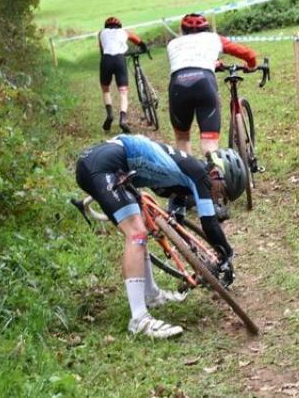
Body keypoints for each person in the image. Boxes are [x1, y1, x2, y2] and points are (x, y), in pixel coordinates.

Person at [74, 134, 246, 338]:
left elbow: (177, 208)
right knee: (136, 233)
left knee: (141, 228)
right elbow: (209, 223)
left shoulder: (187, 173)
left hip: (108, 162)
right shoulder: (200, 175)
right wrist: (227, 255)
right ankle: (138, 319)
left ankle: (151, 294)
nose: (219, 198)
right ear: (216, 173)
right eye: (223, 191)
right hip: (103, 166)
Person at [166, 13, 257, 156]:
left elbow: (189, 61)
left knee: (182, 138)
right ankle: (215, 172)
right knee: (209, 143)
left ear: (182, 30)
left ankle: (188, 174)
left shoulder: (172, 44)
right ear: (206, 28)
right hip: (204, 83)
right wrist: (251, 65)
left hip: (178, 86)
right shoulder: (214, 39)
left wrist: (214, 64)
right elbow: (248, 54)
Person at [98, 16, 148, 133]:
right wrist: (144, 47)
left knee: (105, 89)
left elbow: (102, 49)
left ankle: (110, 114)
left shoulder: (101, 33)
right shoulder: (124, 32)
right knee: (123, 92)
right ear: (119, 26)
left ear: (106, 27)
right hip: (119, 60)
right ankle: (123, 119)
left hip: (106, 60)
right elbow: (137, 40)